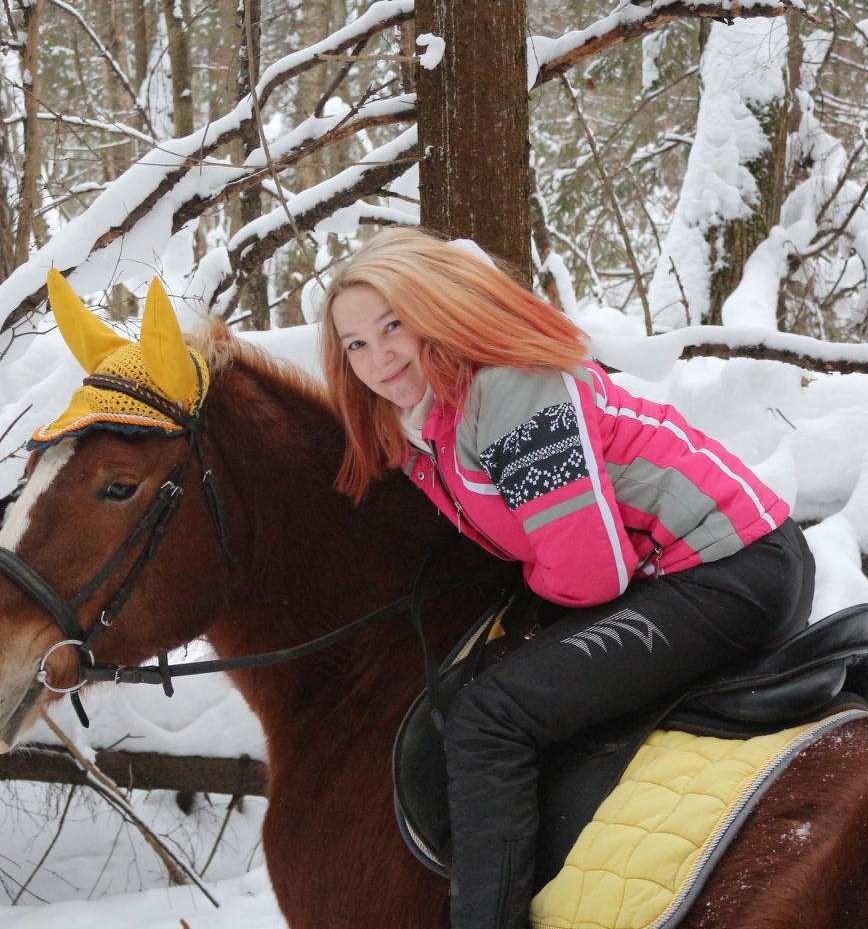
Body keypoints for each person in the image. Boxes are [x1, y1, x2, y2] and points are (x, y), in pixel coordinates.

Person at [319, 227, 814, 929]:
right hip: (683, 573)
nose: (379, 356)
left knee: (491, 715)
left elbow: (588, 570)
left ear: (438, 308)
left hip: (731, 571)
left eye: (393, 325)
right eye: (356, 344)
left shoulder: (511, 388)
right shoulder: (431, 421)